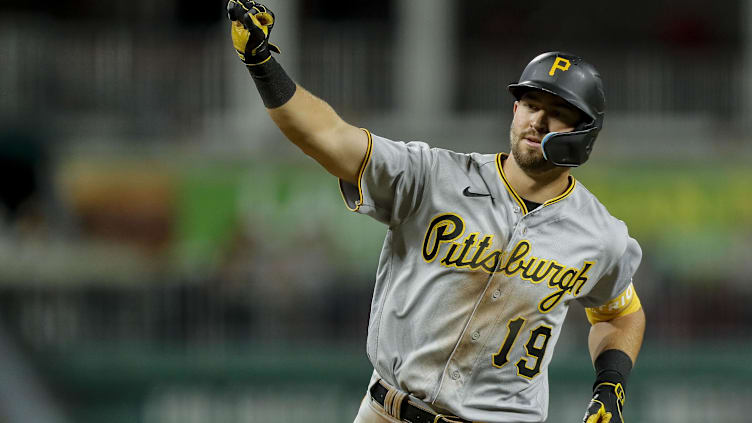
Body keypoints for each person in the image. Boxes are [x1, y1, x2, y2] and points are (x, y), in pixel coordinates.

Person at [226, 2, 646, 422]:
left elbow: (621, 312)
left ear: (584, 134)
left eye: (557, 113)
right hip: (388, 411)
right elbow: (329, 137)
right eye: (530, 104)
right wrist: (262, 64)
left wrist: (610, 385)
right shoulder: (431, 175)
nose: (537, 120)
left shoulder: (600, 235)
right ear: (514, 110)